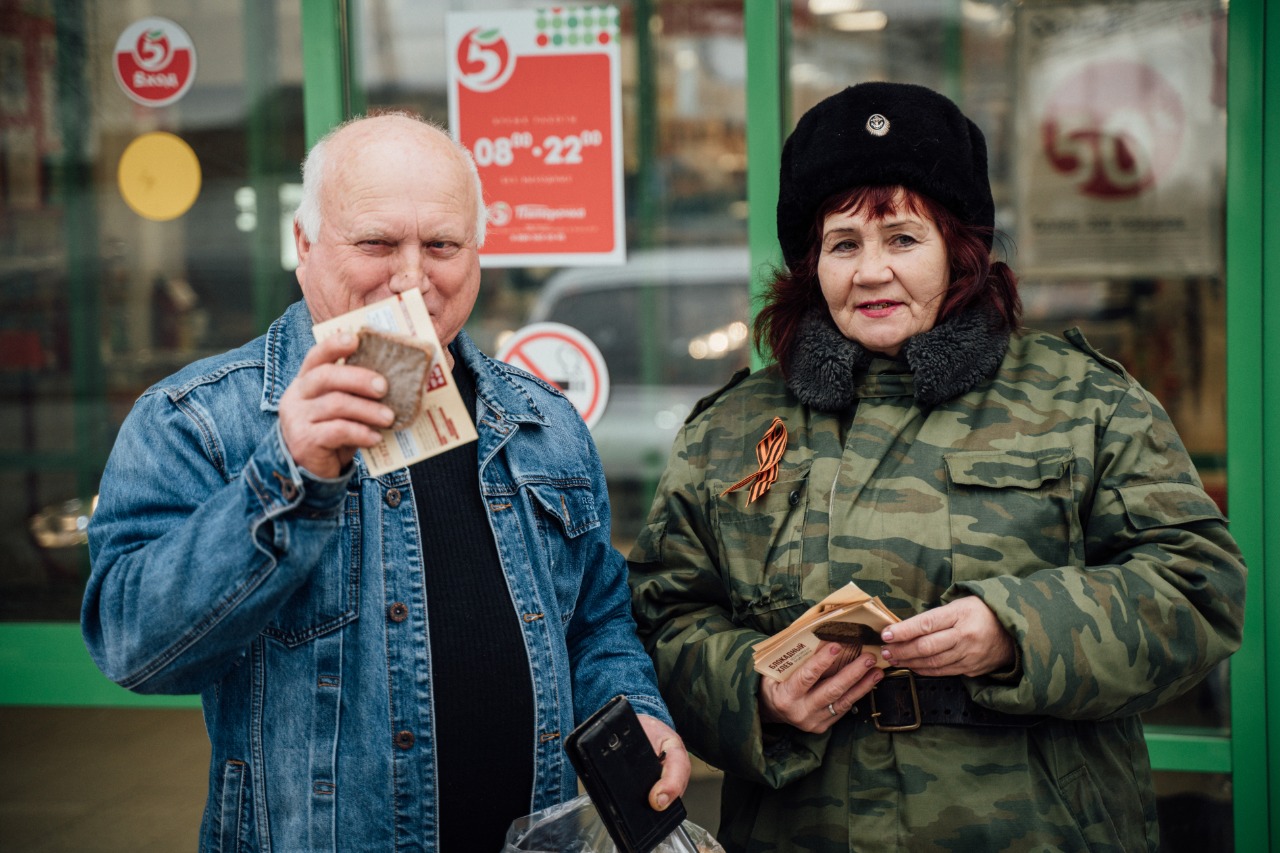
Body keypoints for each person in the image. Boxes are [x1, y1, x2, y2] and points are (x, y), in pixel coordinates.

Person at [627, 81, 1246, 852]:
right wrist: (754, 693)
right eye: (844, 244)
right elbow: (661, 616)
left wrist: (1015, 630)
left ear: (959, 250)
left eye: (902, 239)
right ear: (811, 264)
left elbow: (1198, 586)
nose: (871, 271)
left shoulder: (1082, 400)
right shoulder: (733, 427)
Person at [82, 111, 689, 852]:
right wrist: (289, 472)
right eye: (376, 243)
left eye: (441, 245)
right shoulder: (198, 419)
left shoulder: (543, 419)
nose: (411, 278)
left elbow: (596, 621)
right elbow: (133, 646)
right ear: (304, 245)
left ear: (477, 252)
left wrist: (635, 712)